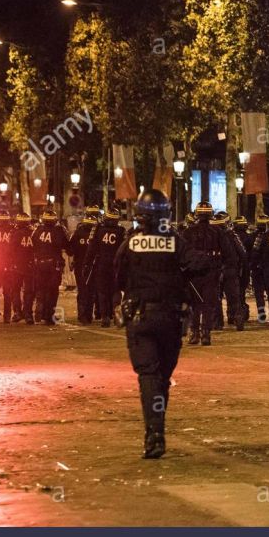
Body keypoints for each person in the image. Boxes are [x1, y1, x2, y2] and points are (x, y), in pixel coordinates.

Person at [114, 189, 210, 459]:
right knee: (162, 378)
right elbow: (200, 264)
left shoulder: (130, 243)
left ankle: (154, 434)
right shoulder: (175, 241)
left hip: (141, 319)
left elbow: (118, 276)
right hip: (170, 320)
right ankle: (157, 430)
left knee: (148, 376)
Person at [182, 201, 233, 345]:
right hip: (212, 272)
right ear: (210, 214)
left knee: (195, 304)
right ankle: (206, 333)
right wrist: (223, 269)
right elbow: (228, 254)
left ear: (196, 214)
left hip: (193, 274)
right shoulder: (218, 232)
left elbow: (181, 254)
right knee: (208, 304)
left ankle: (195, 333)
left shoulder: (187, 232)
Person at [84, 207, 126, 328]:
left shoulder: (97, 229)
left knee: (102, 291)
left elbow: (91, 249)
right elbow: (124, 250)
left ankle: (105, 317)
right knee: (116, 290)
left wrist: (87, 263)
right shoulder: (121, 231)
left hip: (101, 264)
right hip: (116, 265)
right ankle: (115, 313)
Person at [31, 208, 69, 325]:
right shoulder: (59, 231)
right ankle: (49, 315)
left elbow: (33, 243)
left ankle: (40, 310)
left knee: (41, 288)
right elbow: (66, 245)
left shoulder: (37, 230)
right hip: (54, 264)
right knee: (52, 290)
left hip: (40, 263)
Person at [68, 206, 100, 324]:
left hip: (80, 266)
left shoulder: (78, 232)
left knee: (82, 291)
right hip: (93, 266)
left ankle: (82, 315)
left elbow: (70, 250)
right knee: (91, 291)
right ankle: (89, 315)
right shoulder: (97, 234)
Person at [9, 212, 35, 324]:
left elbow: (10, 250)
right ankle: (28, 313)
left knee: (15, 290)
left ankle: (17, 312)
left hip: (17, 266)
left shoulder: (14, 233)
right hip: (30, 265)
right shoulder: (34, 233)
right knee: (29, 290)